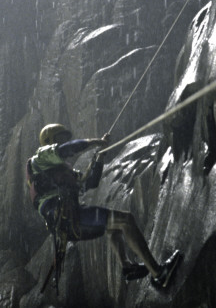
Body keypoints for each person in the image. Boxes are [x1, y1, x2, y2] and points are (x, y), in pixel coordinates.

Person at [26, 123, 181, 288]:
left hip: (71, 221)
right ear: (49, 141)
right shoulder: (40, 158)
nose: (63, 142)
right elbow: (66, 149)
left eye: (64, 139)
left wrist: (100, 155)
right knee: (125, 220)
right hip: (67, 219)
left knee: (112, 226)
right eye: (60, 139)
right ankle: (159, 274)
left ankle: (127, 267)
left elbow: (91, 182)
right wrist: (95, 142)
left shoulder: (66, 171)